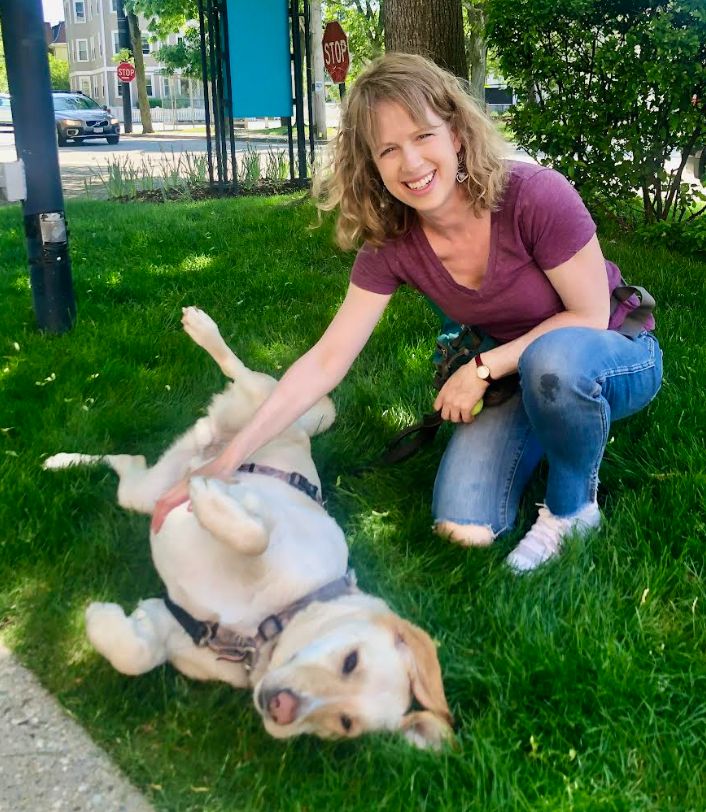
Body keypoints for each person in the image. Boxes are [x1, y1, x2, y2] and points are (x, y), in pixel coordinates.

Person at [151, 53, 662, 573]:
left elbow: (590, 313)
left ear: (456, 133)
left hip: (611, 351)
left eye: (422, 136)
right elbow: (328, 360)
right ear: (371, 163)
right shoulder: (392, 243)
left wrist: (480, 368)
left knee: (555, 364)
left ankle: (571, 510)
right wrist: (226, 460)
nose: (411, 164)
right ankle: (551, 428)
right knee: (464, 528)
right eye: (388, 149)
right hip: (519, 372)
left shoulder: (534, 196)